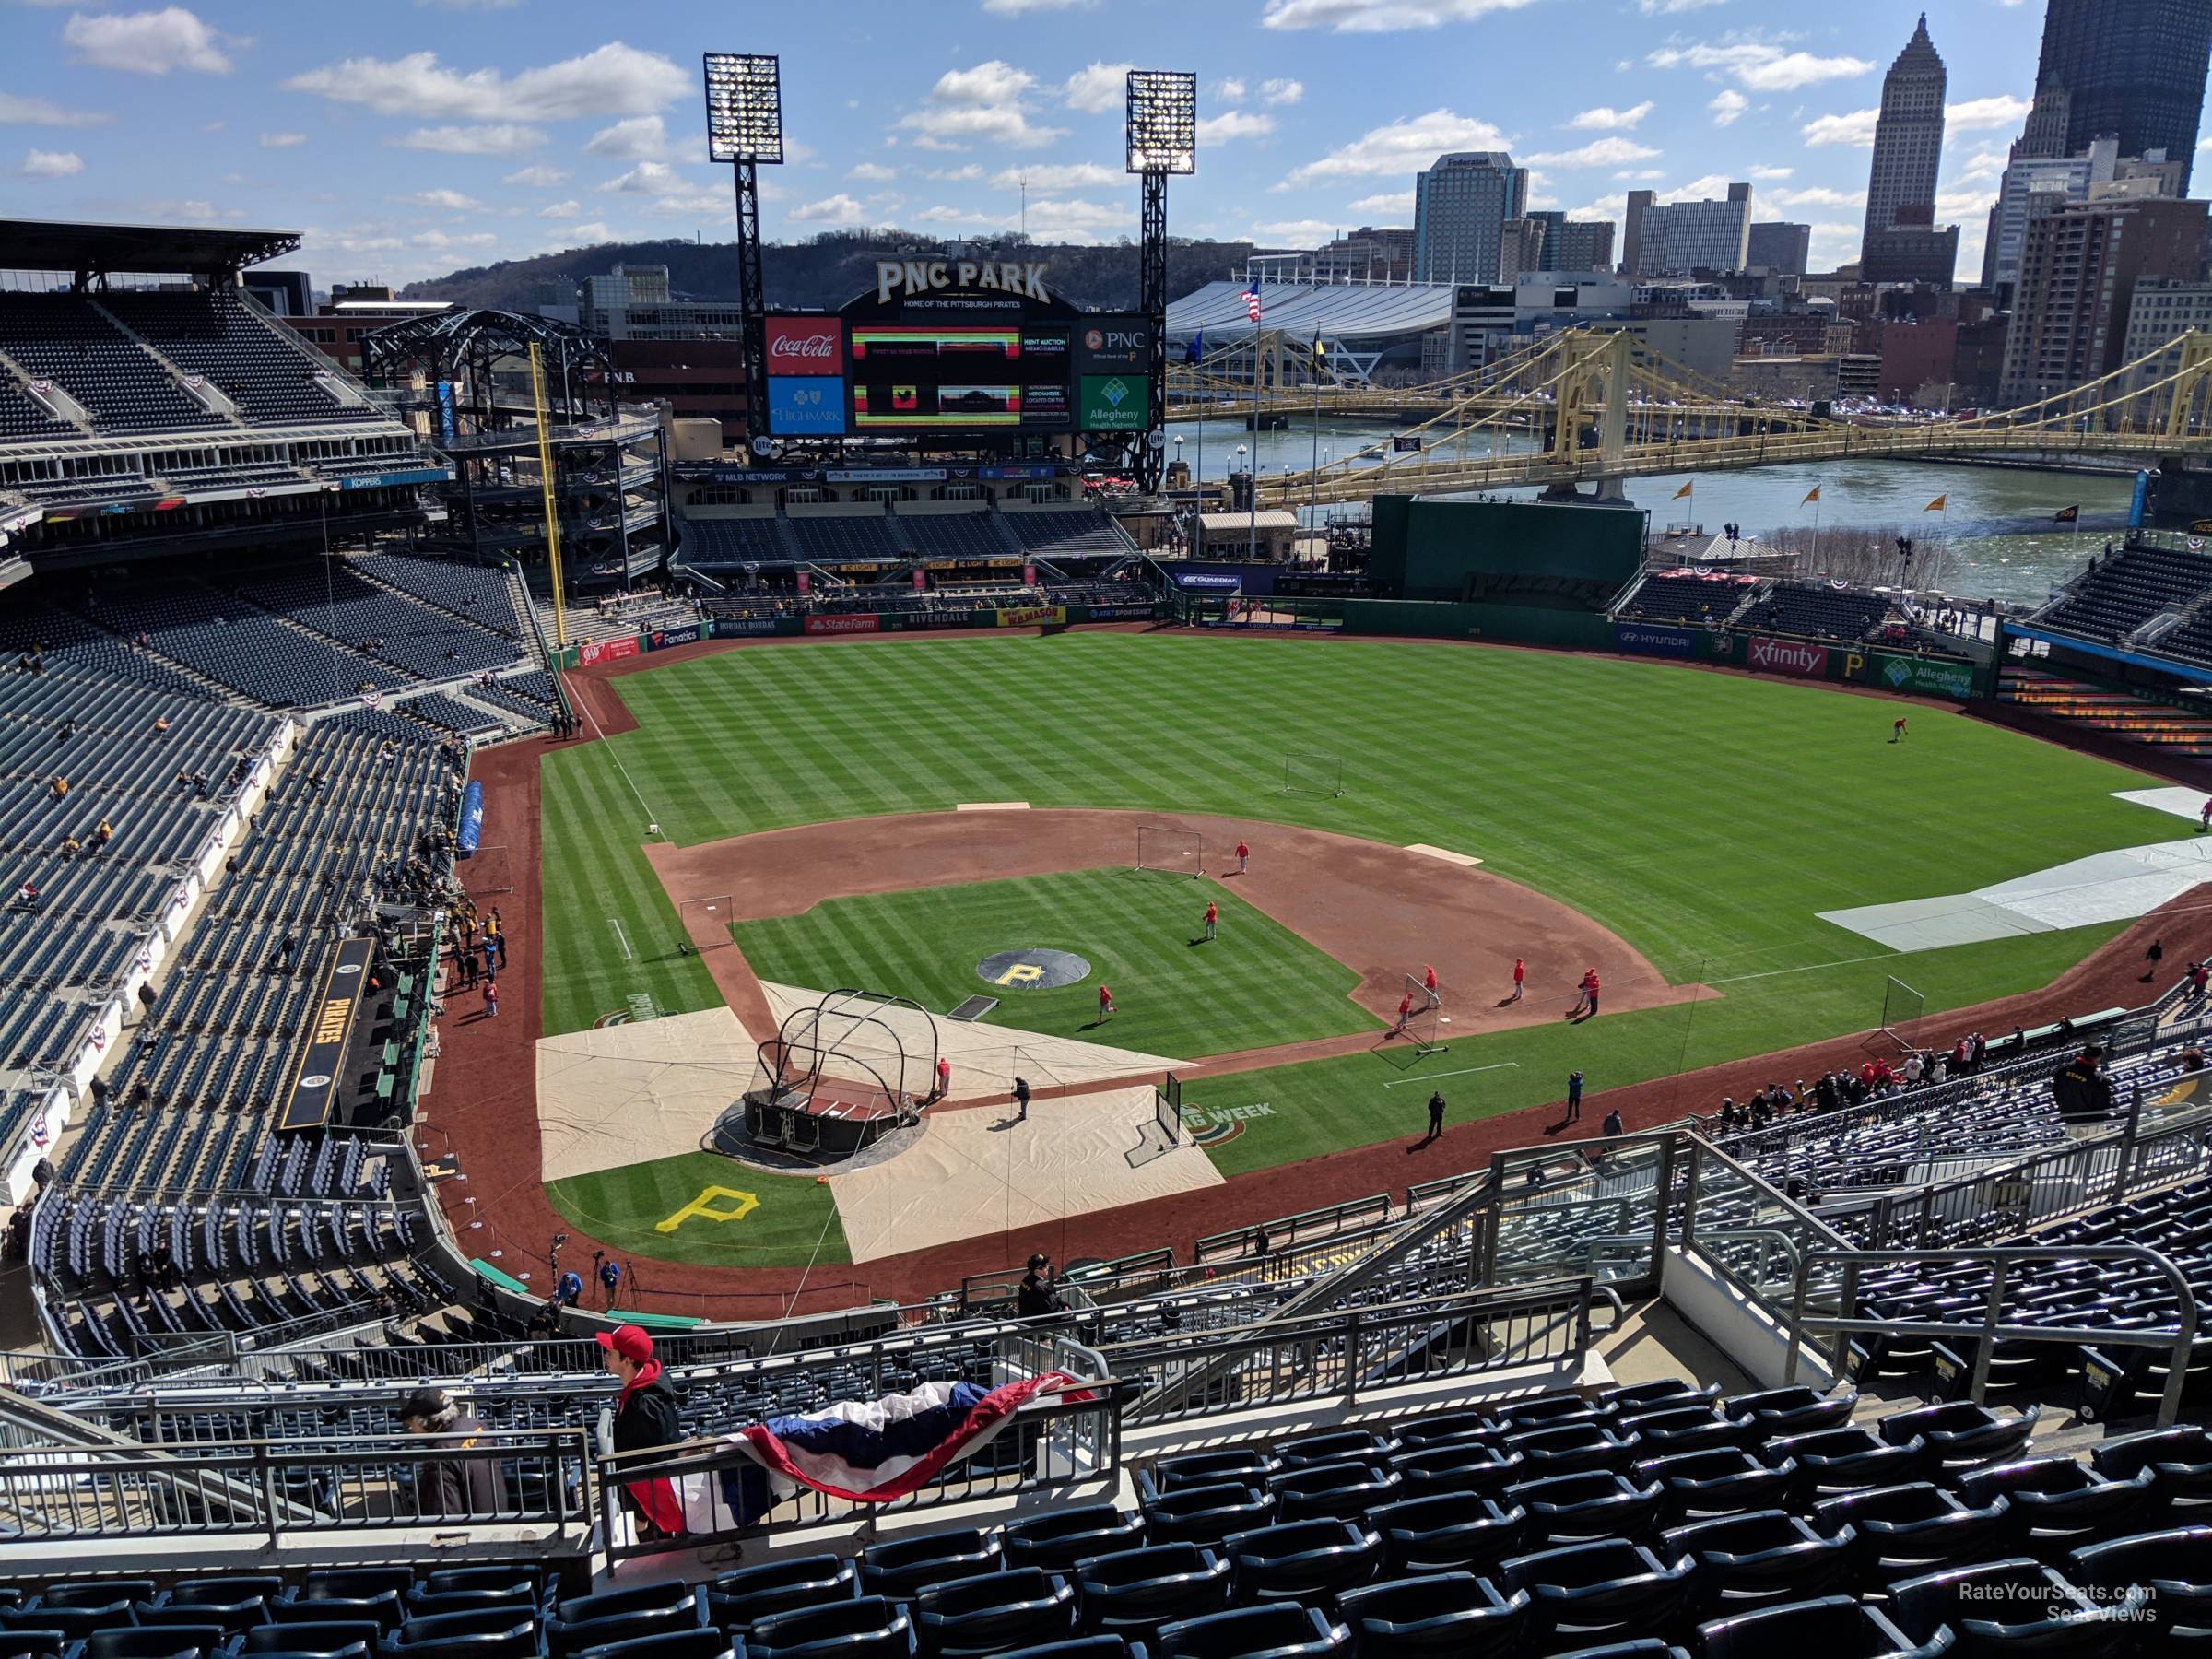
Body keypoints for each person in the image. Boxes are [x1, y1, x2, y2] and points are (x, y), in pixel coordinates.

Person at [598, 1324, 686, 1540]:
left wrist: (641, 1516)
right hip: (648, 1506)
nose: (605, 1355)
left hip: (652, 1512)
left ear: (627, 1360)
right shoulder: (644, 1389)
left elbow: (650, 1466)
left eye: (611, 1352)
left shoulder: (645, 1406)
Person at [398, 1386, 501, 1518]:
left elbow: (444, 1516)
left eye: (411, 1423)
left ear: (425, 1422)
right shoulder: (478, 1426)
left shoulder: (439, 1459)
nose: (411, 1429)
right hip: (498, 1516)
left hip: (475, 1531)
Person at [2052, 1043, 2114, 1124]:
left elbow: (2055, 1091)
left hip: (2069, 1118)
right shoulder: (2099, 1079)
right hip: (2090, 1122)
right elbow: (2103, 1105)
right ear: (2098, 1058)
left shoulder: (2063, 1070)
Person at [1017, 1253, 1064, 1320]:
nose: (1047, 1267)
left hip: (1024, 1318)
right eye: (1045, 1266)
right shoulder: (1039, 1286)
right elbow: (1051, 1308)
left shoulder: (1025, 1280)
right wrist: (1063, 1304)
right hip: (1036, 1322)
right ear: (1037, 1270)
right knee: (1073, 1319)